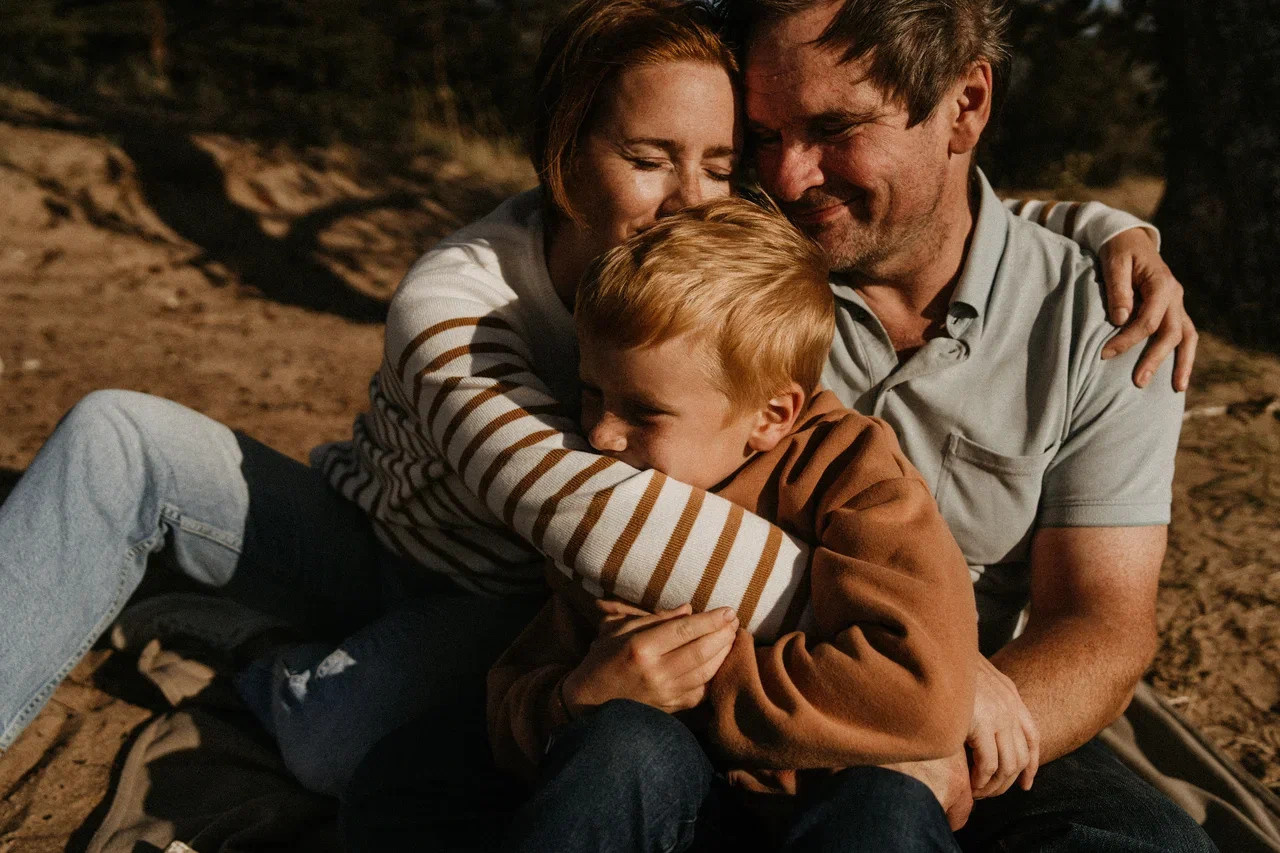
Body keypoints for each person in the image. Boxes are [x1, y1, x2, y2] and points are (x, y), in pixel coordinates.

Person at [0, 0, 1187, 815]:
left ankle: (247, 650)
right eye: (650, 155)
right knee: (119, 436)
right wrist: (923, 654)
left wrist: (1107, 229)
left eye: (724, 160)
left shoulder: (750, 241)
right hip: (390, 542)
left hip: (511, 599)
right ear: (568, 153)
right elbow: (586, 506)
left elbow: (947, 201)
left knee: (335, 740)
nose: (711, 193)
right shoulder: (460, 299)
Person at [724, 0, 1215, 849]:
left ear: (966, 105)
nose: (790, 176)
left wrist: (940, 740)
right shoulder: (726, 268)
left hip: (999, 698)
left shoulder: (1107, 319)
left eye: (835, 128)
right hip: (757, 686)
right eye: (764, 135)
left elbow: (1102, 619)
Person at [490, 195, 980, 852]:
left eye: (644, 411)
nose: (602, 432)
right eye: (592, 393)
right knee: (618, 744)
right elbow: (515, 689)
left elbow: (920, 690)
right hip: (676, 803)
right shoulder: (615, 497)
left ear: (772, 417)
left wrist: (686, 676)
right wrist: (579, 696)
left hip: (820, 795)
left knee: (885, 806)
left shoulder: (854, 472)